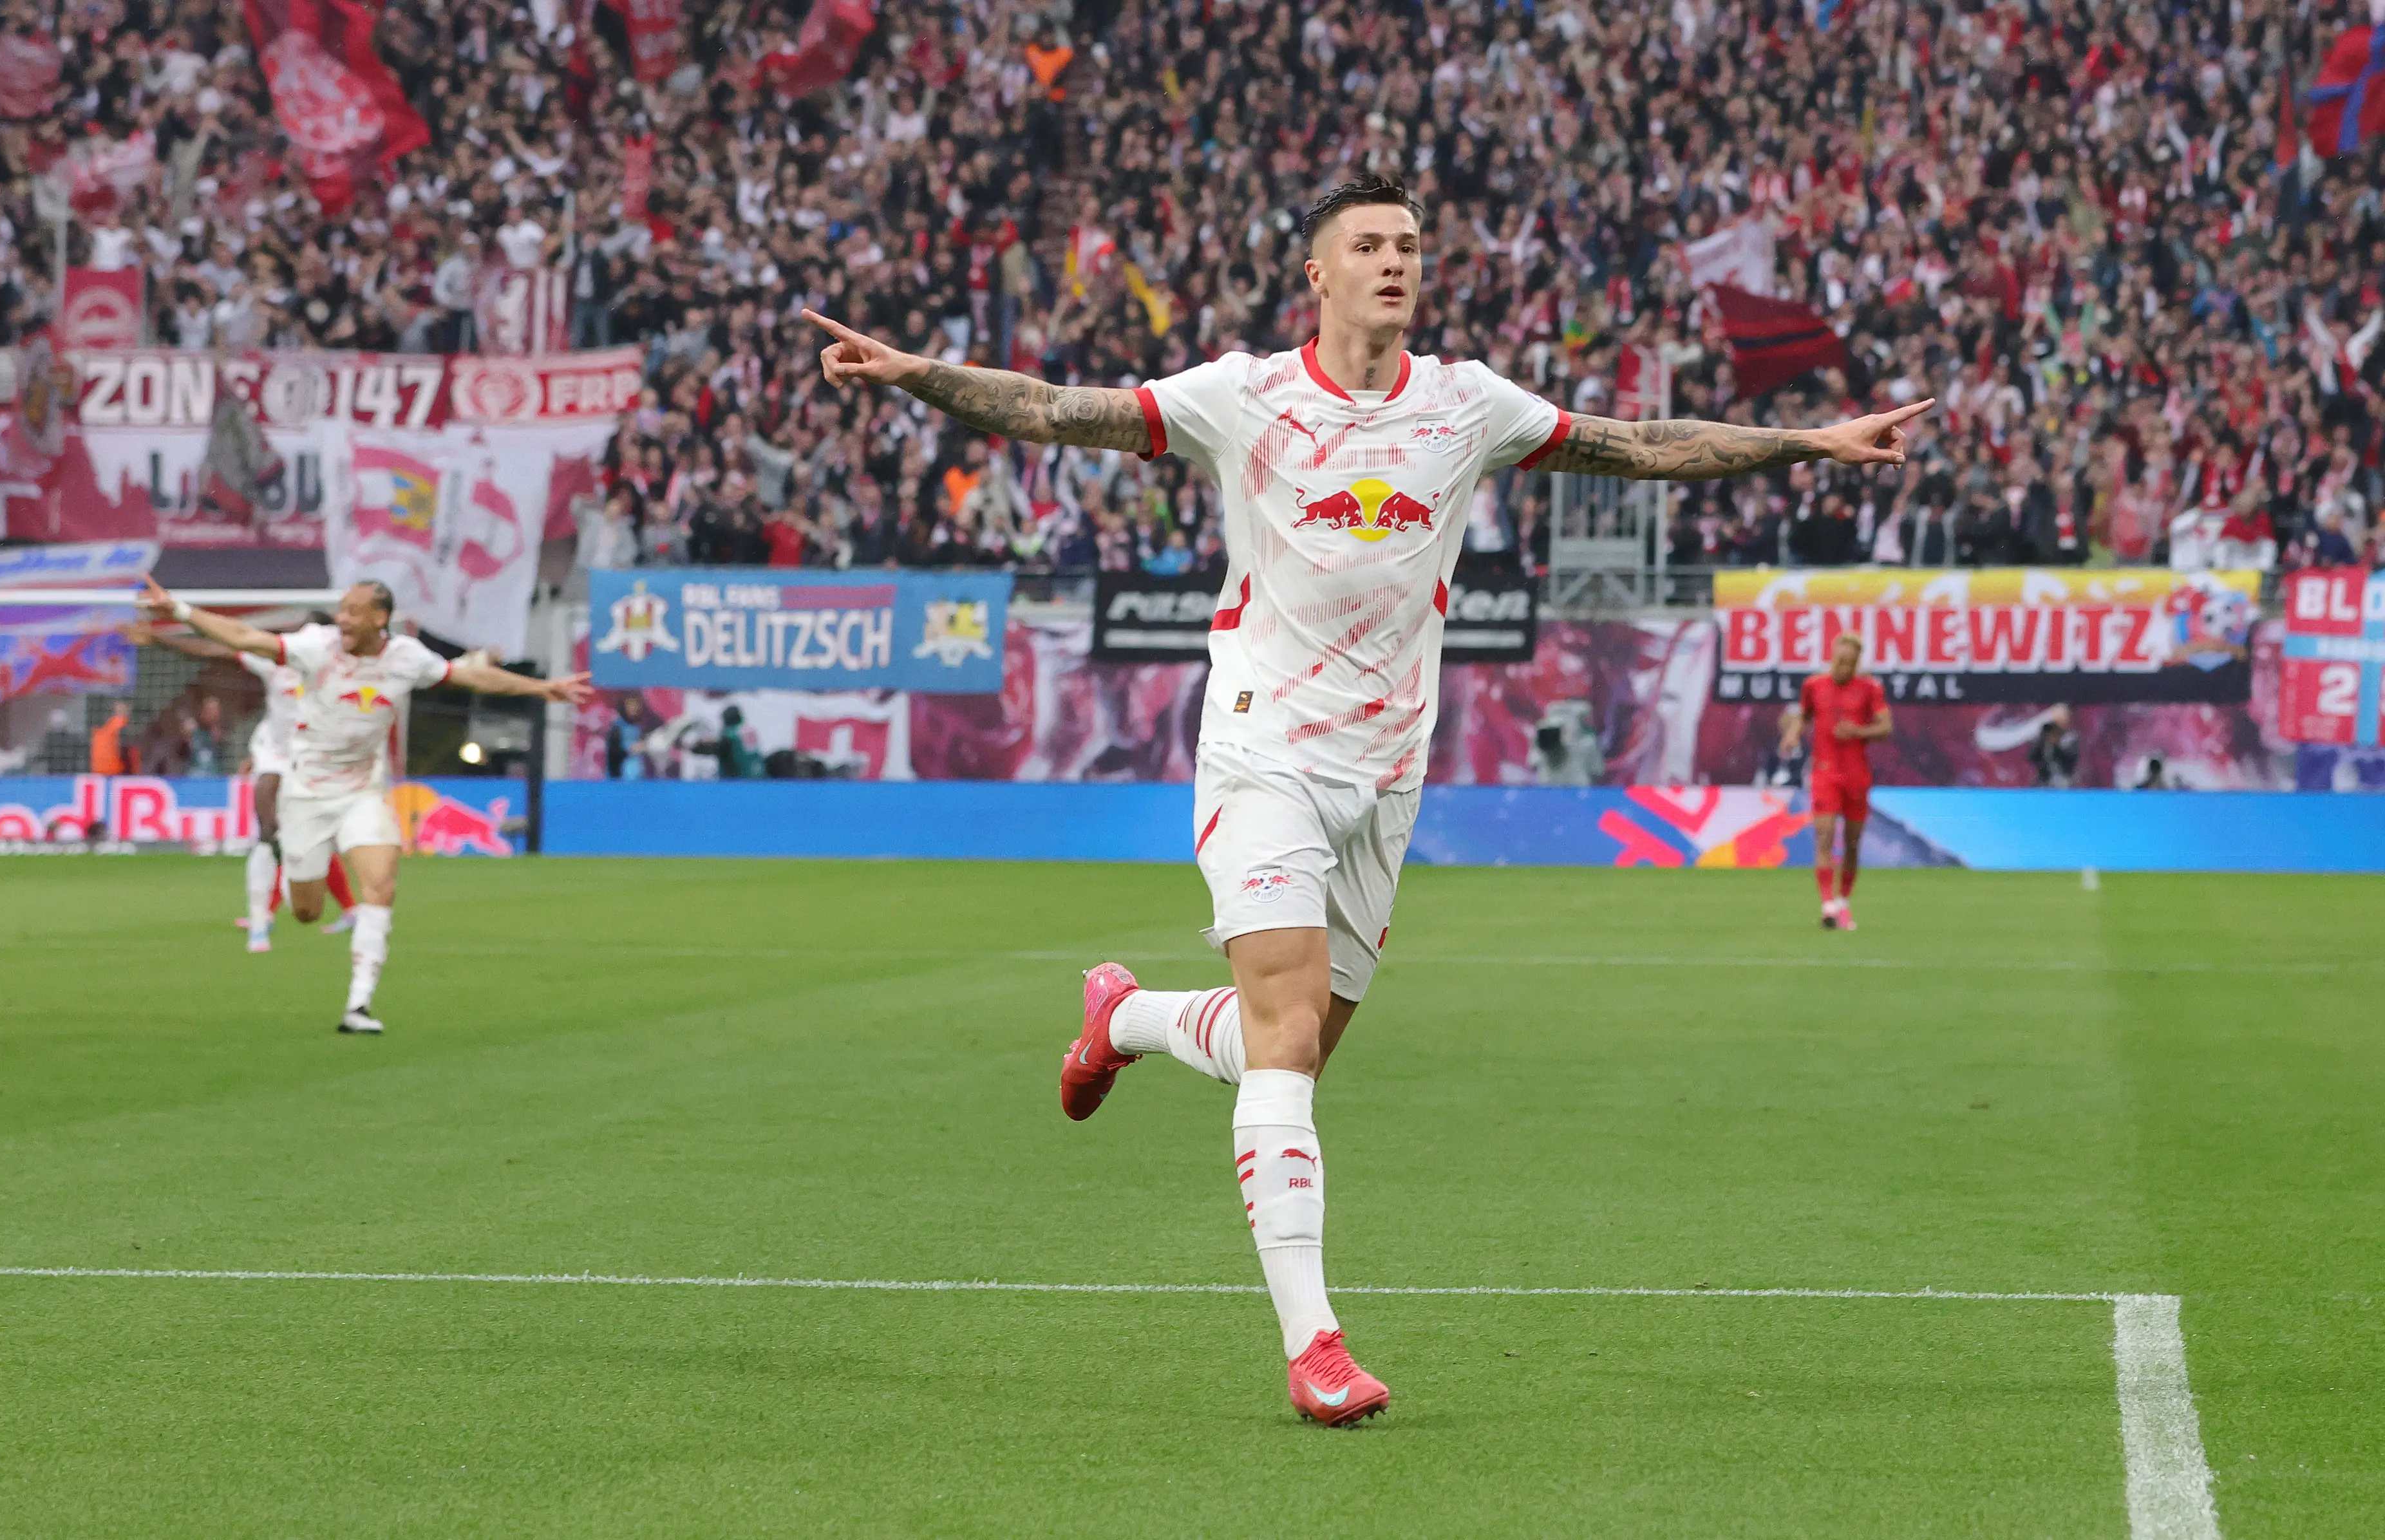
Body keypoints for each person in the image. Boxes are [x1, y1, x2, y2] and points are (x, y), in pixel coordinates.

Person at [807, 174, 1931, 1427]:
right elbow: (1061, 410)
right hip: (1262, 748)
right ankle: (1316, 1345)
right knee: (1284, 1037)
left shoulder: (1466, 404)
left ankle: (1119, 1018)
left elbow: (1641, 443)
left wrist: (1807, 441)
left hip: (1388, 775)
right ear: (1320, 274)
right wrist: (917, 372)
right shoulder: (1245, 398)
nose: (1394, 262)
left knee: (1285, 1042)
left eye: (1407, 245)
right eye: (1369, 246)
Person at [135, 577, 590, 1033]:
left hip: (363, 791)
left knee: (381, 886)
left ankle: (359, 1006)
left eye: (354, 611)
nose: (343, 619)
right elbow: (244, 638)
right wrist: (177, 609)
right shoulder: (316, 648)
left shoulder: (406, 658)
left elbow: (468, 673)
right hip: (307, 793)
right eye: (342, 610)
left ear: (380, 618)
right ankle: (297, 876)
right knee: (307, 911)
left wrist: (540, 688)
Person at [130, 619, 361, 951]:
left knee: (311, 839)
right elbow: (217, 648)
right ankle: (260, 920)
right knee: (267, 830)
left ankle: (312, 897)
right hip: (273, 753)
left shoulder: (336, 670)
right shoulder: (275, 662)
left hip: (312, 758)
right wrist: (158, 638)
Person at [1778, 632, 1894, 931]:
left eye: (1848, 663)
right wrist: (1792, 734)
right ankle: (1828, 904)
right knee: (1825, 834)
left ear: (1856, 663)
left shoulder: (1869, 689)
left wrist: (1858, 731)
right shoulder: (1814, 685)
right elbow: (1804, 715)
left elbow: (1886, 726)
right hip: (1825, 772)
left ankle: (1843, 901)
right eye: (1838, 660)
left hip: (1856, 775)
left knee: (1853, 844)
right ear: (1832, 657)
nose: (1842, 667)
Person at [2029, 706, 2080, 789]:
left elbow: (2072, 758)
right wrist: (2043, 742)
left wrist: (2056, 746)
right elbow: (2032, 756)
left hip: (2064, 778)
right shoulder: (2045, 737)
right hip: (2045, 779)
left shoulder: (2070, 738)